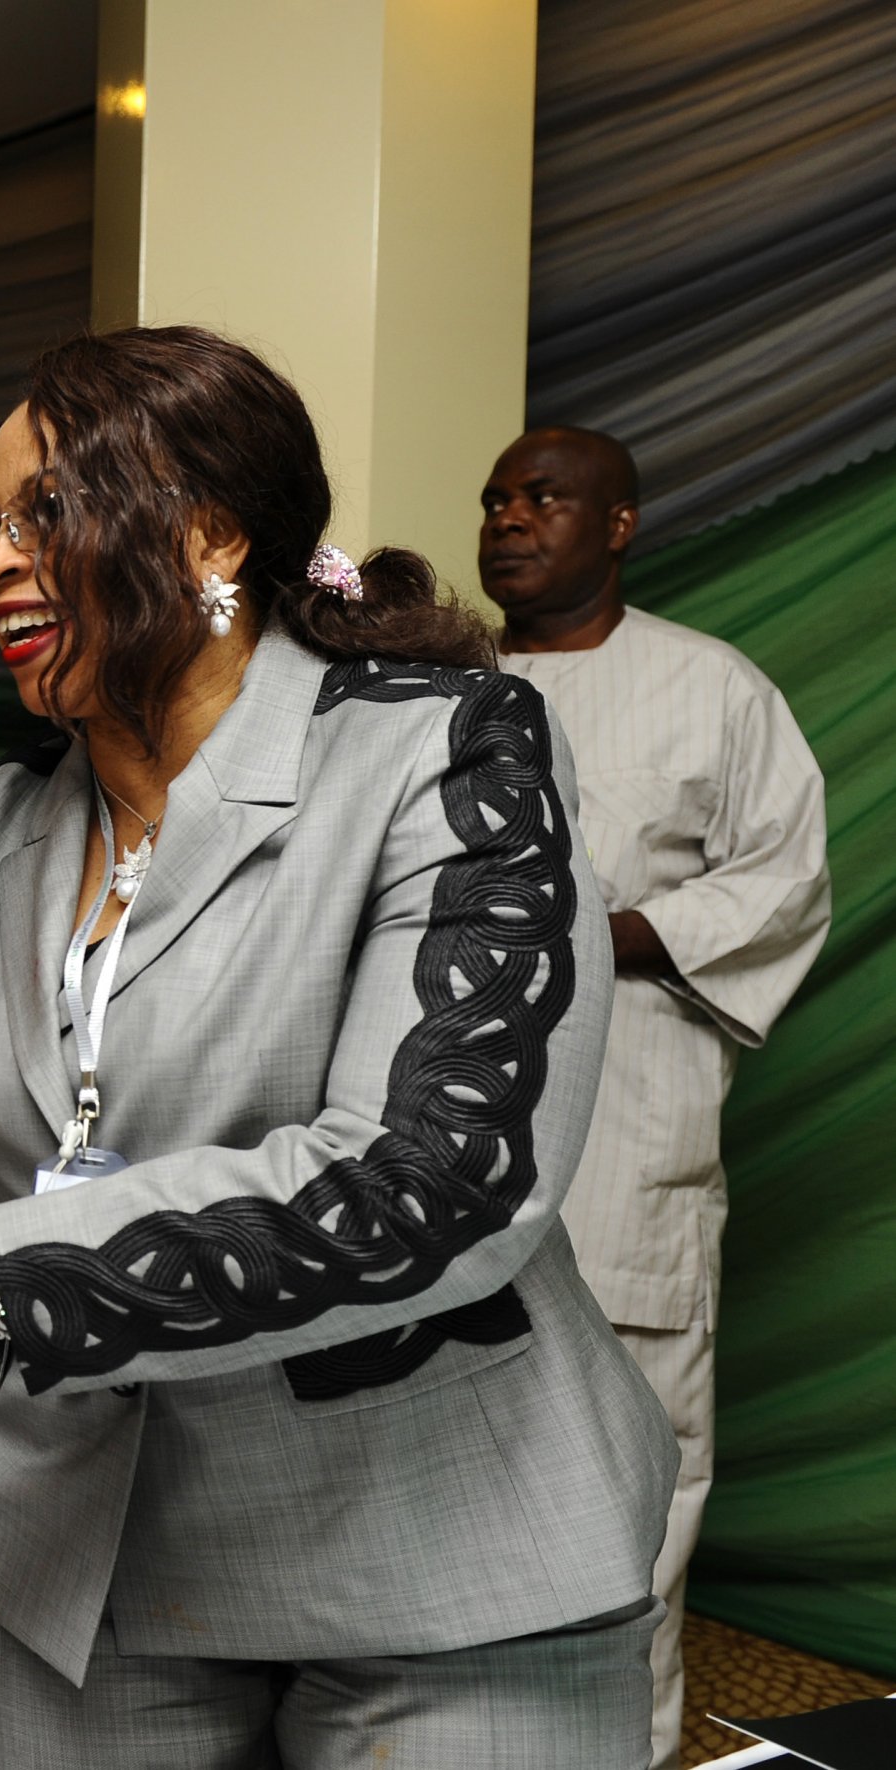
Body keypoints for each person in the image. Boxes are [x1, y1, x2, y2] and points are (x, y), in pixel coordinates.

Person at [0, 328, 680, 1765]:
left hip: (440, 1559)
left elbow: (440, 1176)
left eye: (44, 514)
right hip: (88, 1581)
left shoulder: (448, 750)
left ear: (208, 534)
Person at [479, 426, 830, 1770]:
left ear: (618, 523)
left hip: (632, 1128)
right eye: (497, 500)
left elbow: (783, 879)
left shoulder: (709, 689)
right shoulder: (424, 691)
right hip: (446, 1141)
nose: (511, 520)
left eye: (545, 498)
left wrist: (598, 934)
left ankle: (620, 1744)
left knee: (636, 1460)